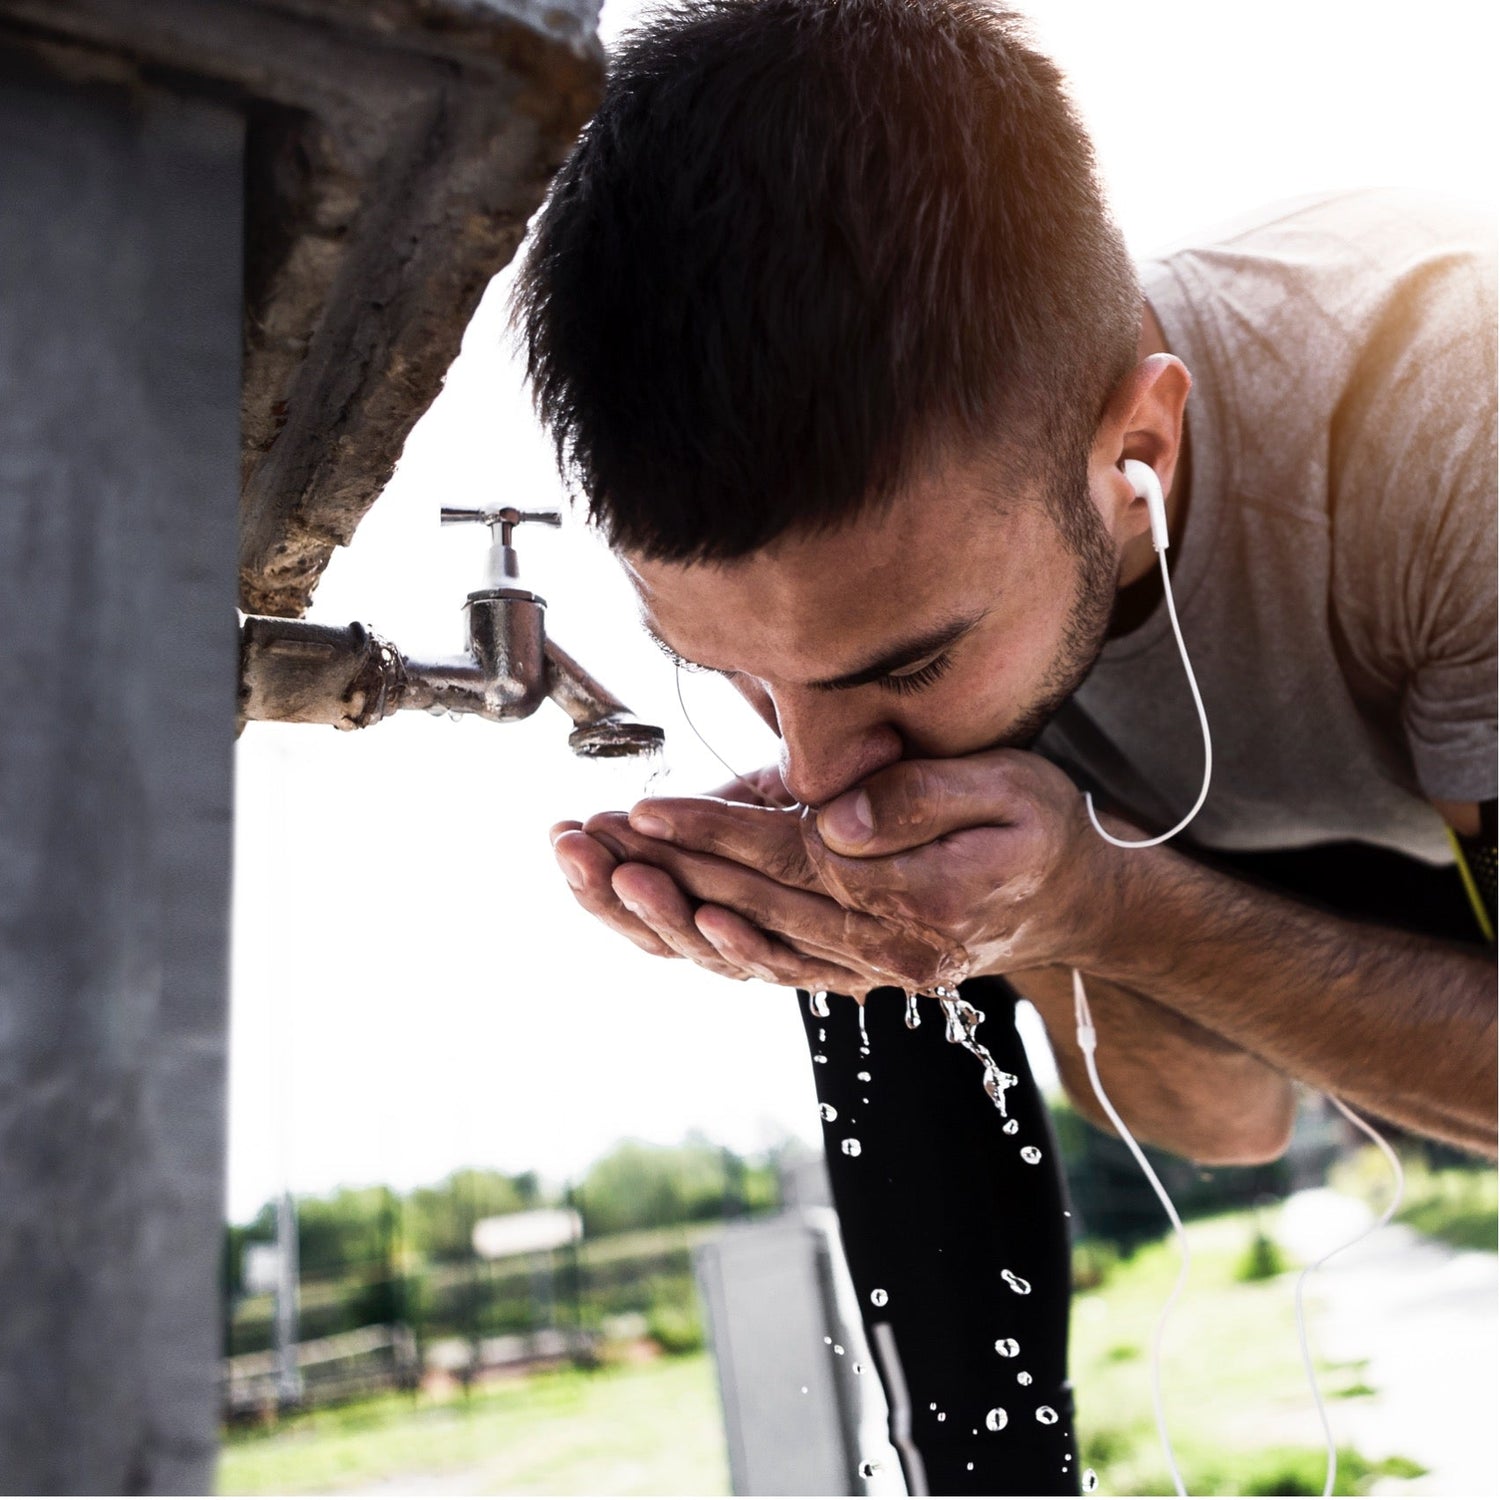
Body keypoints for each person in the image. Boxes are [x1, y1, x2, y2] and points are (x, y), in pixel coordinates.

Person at [519, 1, 1498, 1491]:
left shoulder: (1447, 416)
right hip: (1322, 859)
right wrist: (987, 931)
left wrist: (1106, 901)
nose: (830, 768)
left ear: (1139, 460)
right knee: (878, 928)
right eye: (741, 680)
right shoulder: (907, 672)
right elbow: (1229, 1123)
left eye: (903, 661)